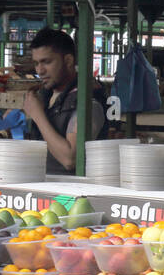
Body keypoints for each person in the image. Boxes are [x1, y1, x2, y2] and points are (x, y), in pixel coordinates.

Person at [22, 27, 109, 175]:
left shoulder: (88, 102)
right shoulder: (47, 96)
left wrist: (37, 116)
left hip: (70, 195)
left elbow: (70, 159)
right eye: (36, 63)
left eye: (46, 62)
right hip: (42, 188)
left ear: (68, 60)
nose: (40, 70)